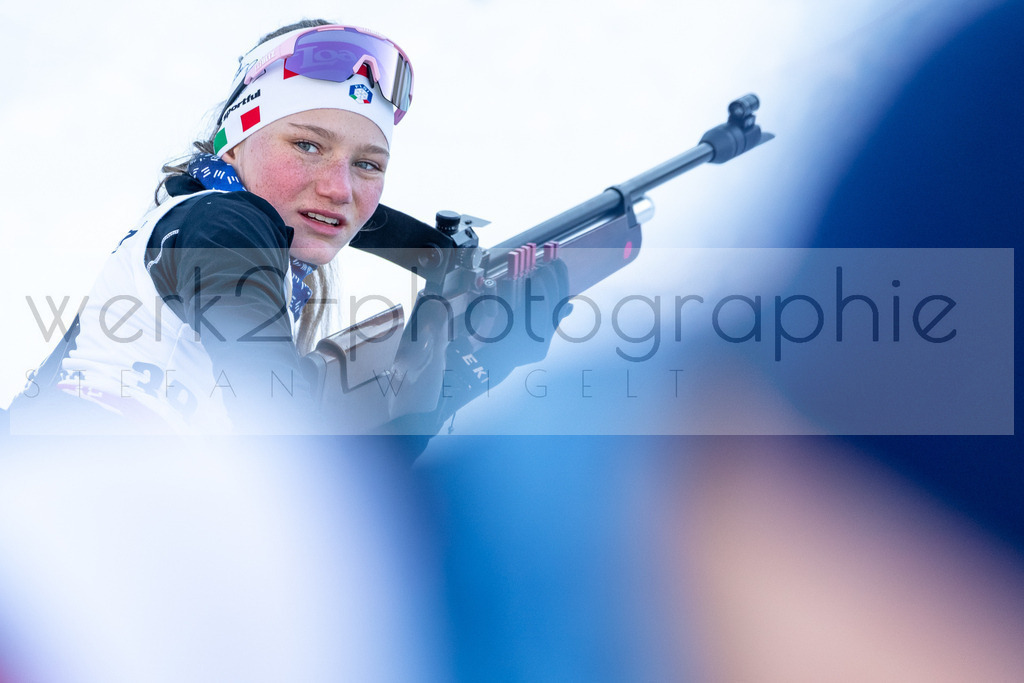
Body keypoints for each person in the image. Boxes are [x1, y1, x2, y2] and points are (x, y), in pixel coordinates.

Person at [9, 19, 415, 434]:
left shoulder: (196, 228)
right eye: (307, 145)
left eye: (367, 165)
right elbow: (280, 432)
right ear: (235, 142)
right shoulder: (224, 221)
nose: (339, 189)